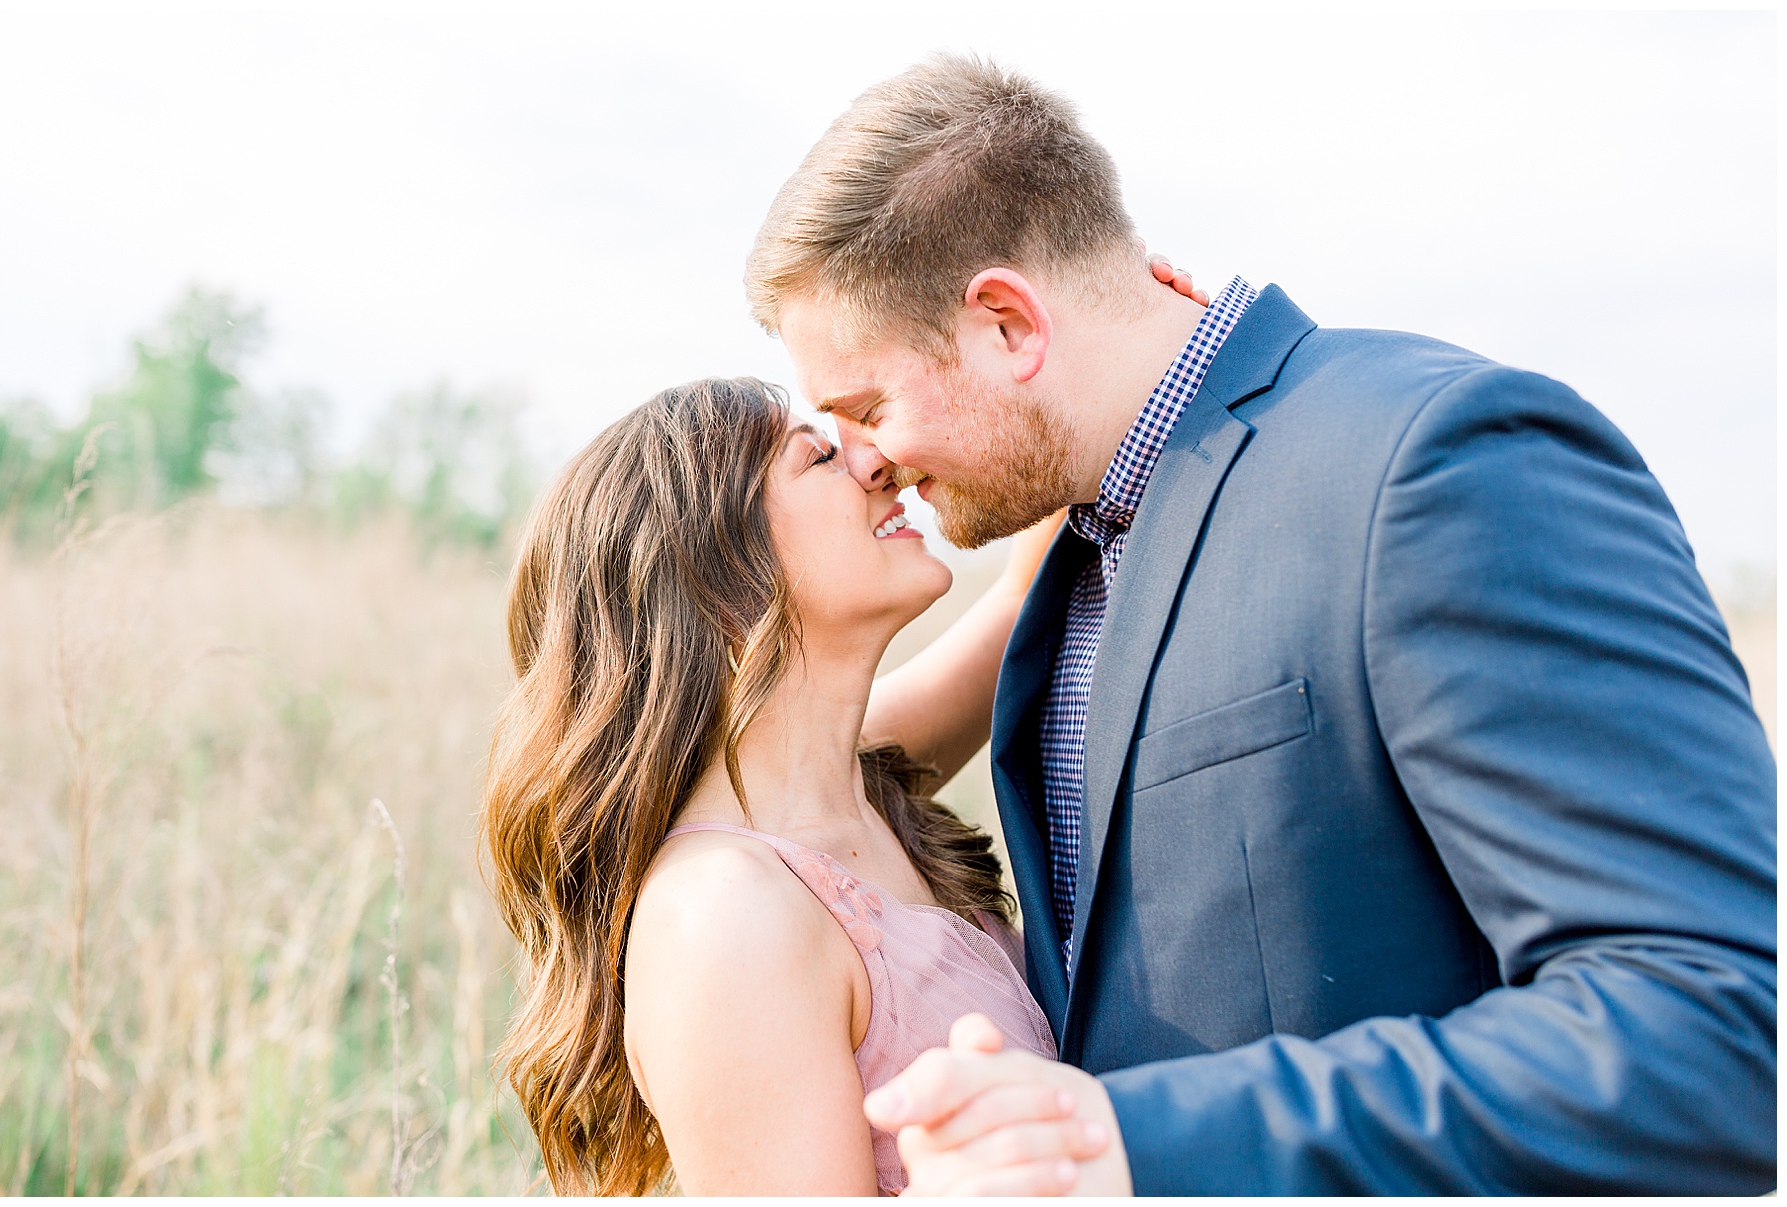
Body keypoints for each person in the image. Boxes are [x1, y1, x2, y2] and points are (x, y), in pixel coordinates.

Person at [744, 54, 1777, 1194]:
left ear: (1007, 322)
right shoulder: (1068, 558)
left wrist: (1137, 1143)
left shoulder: (1431, 462)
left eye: (868, 406)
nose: (870, 461)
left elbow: (1716, 1030)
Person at [482, 373, 1199, 1194]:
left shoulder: (847, 778)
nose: (879, 460)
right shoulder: (722, 915)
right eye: (818, 456)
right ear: (722, 583)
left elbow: (1016, 603)